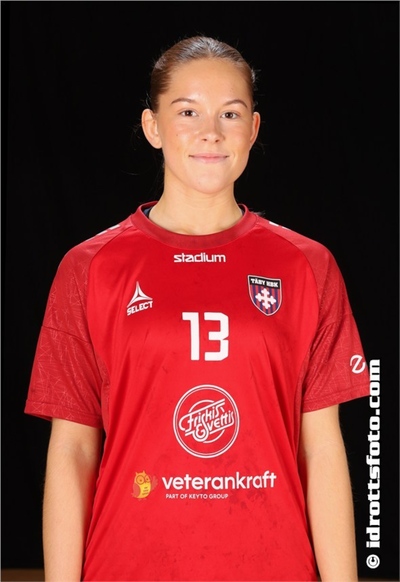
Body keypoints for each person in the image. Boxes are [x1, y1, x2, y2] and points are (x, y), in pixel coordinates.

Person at [25, 35, 370, 581]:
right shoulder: (88, 267)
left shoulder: (308, 265)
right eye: (188, 112)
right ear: (152, 126)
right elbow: (72, 451)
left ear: (253, 129)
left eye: (230, 113)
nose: (211, 131)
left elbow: (323, 450)